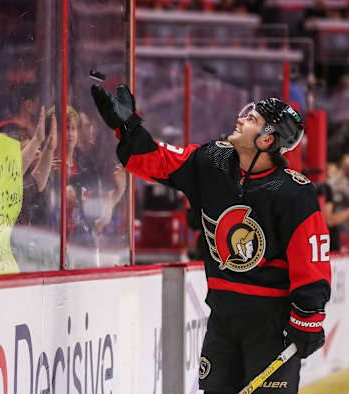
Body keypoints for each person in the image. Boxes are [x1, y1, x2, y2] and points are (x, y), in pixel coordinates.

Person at [91, 84, 331, 393]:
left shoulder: (293, 192)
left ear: (267, 139)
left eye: (252, 119)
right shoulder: (212, 161)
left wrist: (308, 317)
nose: (241, 119)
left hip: (270, 328)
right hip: (223, 320)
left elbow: (311, 259)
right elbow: (159, 161)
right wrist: (128, 127)